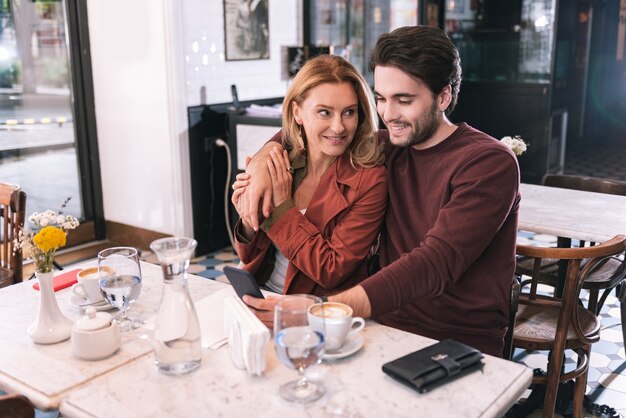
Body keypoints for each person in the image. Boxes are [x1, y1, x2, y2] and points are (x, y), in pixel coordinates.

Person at [236, 26, 520, 357]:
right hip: (382, 324)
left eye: (404, 100)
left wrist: (321, 309)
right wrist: (259, 166)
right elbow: (298, 132)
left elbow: (434, 265)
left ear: (443, 96)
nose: (388, 114)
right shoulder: (391, 144)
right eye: (381, 98)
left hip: (457, 339)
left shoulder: (488, 162)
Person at [231, 54, 387, 296]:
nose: (339, 127)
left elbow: (331, 269)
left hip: (318, 308)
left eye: (349, 112)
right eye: (324, 112)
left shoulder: (369, 180)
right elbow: (248, 254)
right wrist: (248, 219)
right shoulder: (280, 161)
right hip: (260, 291)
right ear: (297, 113)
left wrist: (281, 208)